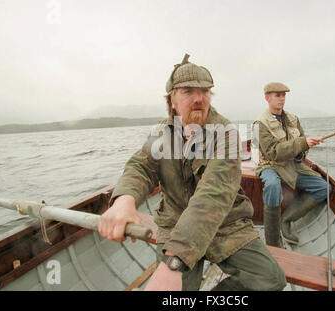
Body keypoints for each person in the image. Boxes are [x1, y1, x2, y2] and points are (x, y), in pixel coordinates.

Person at [98, 54, 286, 291]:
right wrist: (124, 200)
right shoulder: (163, 133)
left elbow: (213, 195)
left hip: (225, 225)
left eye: (205, 91)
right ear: (172, 100)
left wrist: (174, 262)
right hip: (175, 223)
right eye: (188, 91)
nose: (199, 98)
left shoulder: (226, 133)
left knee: (271, 279)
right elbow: (141, 166)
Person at [252, 82, 330, 247]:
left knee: (324, 188)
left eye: (284, 95)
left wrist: (305, 148)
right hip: (270, 165)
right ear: (267, 98)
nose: (282, 99)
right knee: (273, 185)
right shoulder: (260, 124)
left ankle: (285, 220)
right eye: (277, 95)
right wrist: (302, 143)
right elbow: (273, 152)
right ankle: (272, 241)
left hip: (292, 166)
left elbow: (302, 149)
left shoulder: (294, 119)